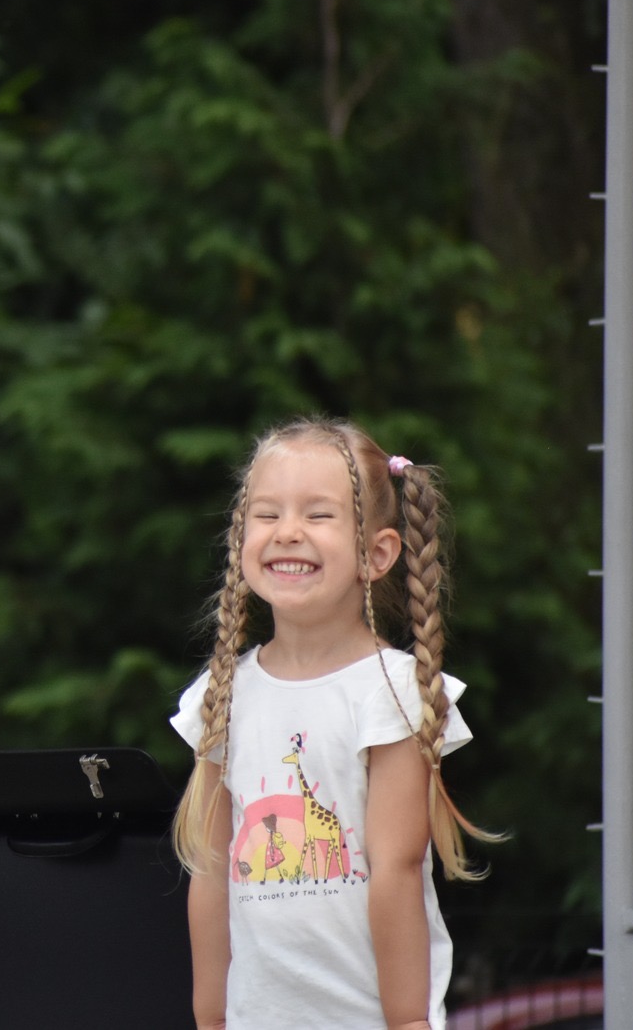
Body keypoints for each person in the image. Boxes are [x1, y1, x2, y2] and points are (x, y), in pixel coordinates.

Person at [169, 419, 499, 1030]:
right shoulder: (222, 694)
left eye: (318, 515)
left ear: (377, 554)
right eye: (267, 514)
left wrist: (408, 1022)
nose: (287, 532)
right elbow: (211, 872)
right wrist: (210, 1020)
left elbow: (397, 870)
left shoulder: (393, 692)